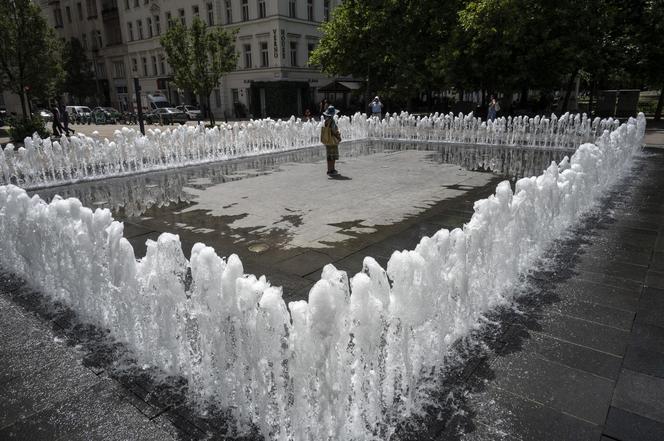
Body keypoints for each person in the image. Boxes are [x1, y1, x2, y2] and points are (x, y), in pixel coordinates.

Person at [321, 105, 341, 176]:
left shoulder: (326, 121)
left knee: (329, 156)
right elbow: (334, 130)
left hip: (327, 140)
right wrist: (338, 136)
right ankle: (332, 169)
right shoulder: (332, 121)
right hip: (332, 140)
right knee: (333, 156)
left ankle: (329, 170)